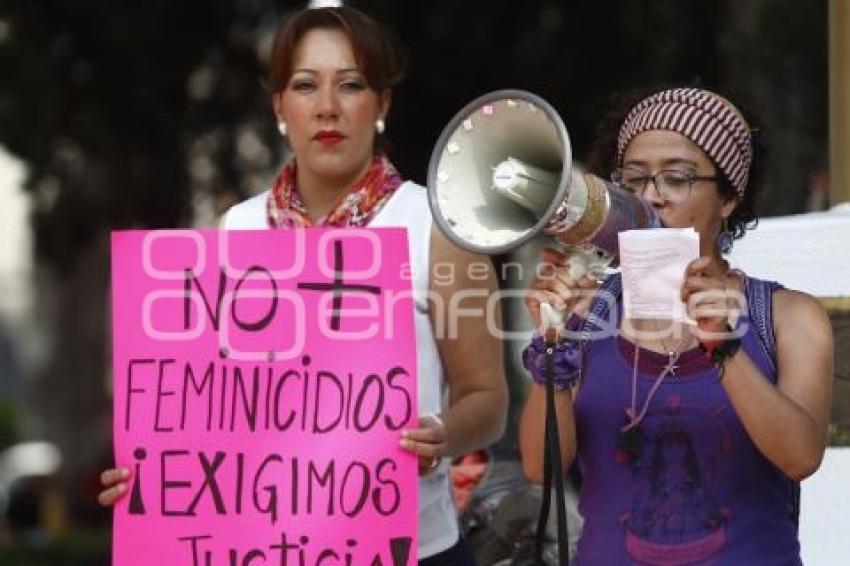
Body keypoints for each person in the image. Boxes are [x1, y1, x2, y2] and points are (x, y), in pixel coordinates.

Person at [99, 7, 507, 565]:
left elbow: (486, 401)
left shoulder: (436, 228)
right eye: (305, 85)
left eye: (352, 85)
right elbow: (214, 403)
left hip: (410, 547)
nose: (327, 107)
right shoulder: (235, 229)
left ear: (382, 104)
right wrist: (153, 476)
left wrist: (442, 435)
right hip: (265, 546)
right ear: (279, 108)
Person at [519, 87, 833, 564]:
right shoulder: (589, 313)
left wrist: (724, 349)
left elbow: (800, 458)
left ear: (729, 198)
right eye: (635, 179)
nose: (652, 197)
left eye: (678, 179)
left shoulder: (788, 316)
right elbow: (542, 468)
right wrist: (551, 345)